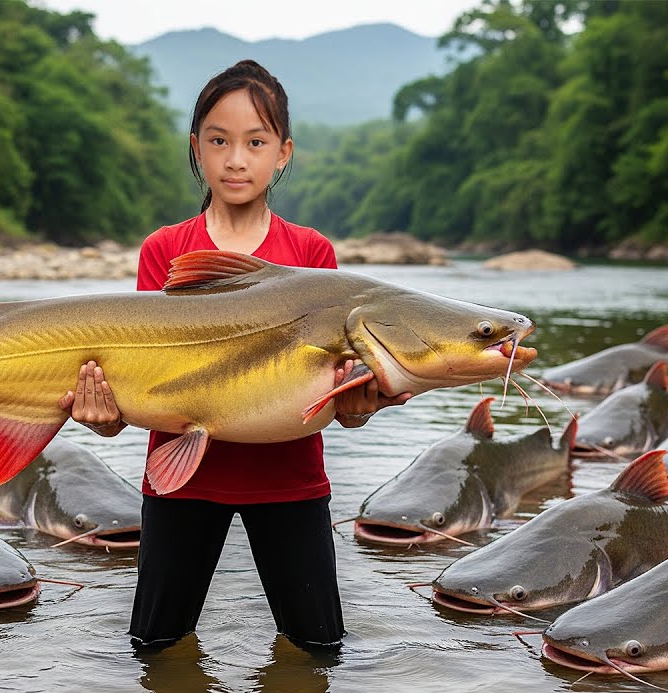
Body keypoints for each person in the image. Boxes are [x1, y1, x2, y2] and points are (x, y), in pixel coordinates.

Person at [58, 59, 409, 652]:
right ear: (196, 148)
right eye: (219, 141)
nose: (236, 159)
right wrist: (107, 416)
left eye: (256, 142)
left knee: (319, 654)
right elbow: (144, 373)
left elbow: (337, 394)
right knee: (156, 652)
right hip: (179, 478)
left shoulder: (311, 253)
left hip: (291, 482)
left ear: (284, 152)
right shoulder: (165, 249)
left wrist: (360, 405)